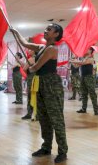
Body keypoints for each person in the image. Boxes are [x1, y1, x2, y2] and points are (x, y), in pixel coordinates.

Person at [10, 23, 68, 163]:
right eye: (46, 29)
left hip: (51, 85)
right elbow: (24, 42)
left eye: (49, 29)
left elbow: (35, 67)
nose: (45, 31)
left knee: (56, 118)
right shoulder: (42, 47)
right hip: (40, 83)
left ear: (56, 34)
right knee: (43, 117)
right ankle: (46, 147)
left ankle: (62, 151)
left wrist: (29, 67)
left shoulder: (52, 49)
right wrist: (16, 31)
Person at [71, 48, 98, 116]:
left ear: (90, 51)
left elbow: (83, 63)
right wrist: (72, 60)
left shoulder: (91, 58)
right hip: (83, 77)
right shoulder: (83, 58)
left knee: (92, 94)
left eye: (88, 49)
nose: (85, 50)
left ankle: (96, 110)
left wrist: (73, 61)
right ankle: (84, 109)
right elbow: (76, 66)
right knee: (84, 94)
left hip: (89, 77)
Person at [21, 49, 36, 120]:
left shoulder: (31, 59)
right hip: (38, 79)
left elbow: (24, 69)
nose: (29, 51)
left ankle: (29, 113)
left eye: (30, 49)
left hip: (31, 79)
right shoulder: (39, 58)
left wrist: (26, 64)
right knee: (37, 96)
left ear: (34, 51)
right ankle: (37, 114)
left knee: (30, 96)